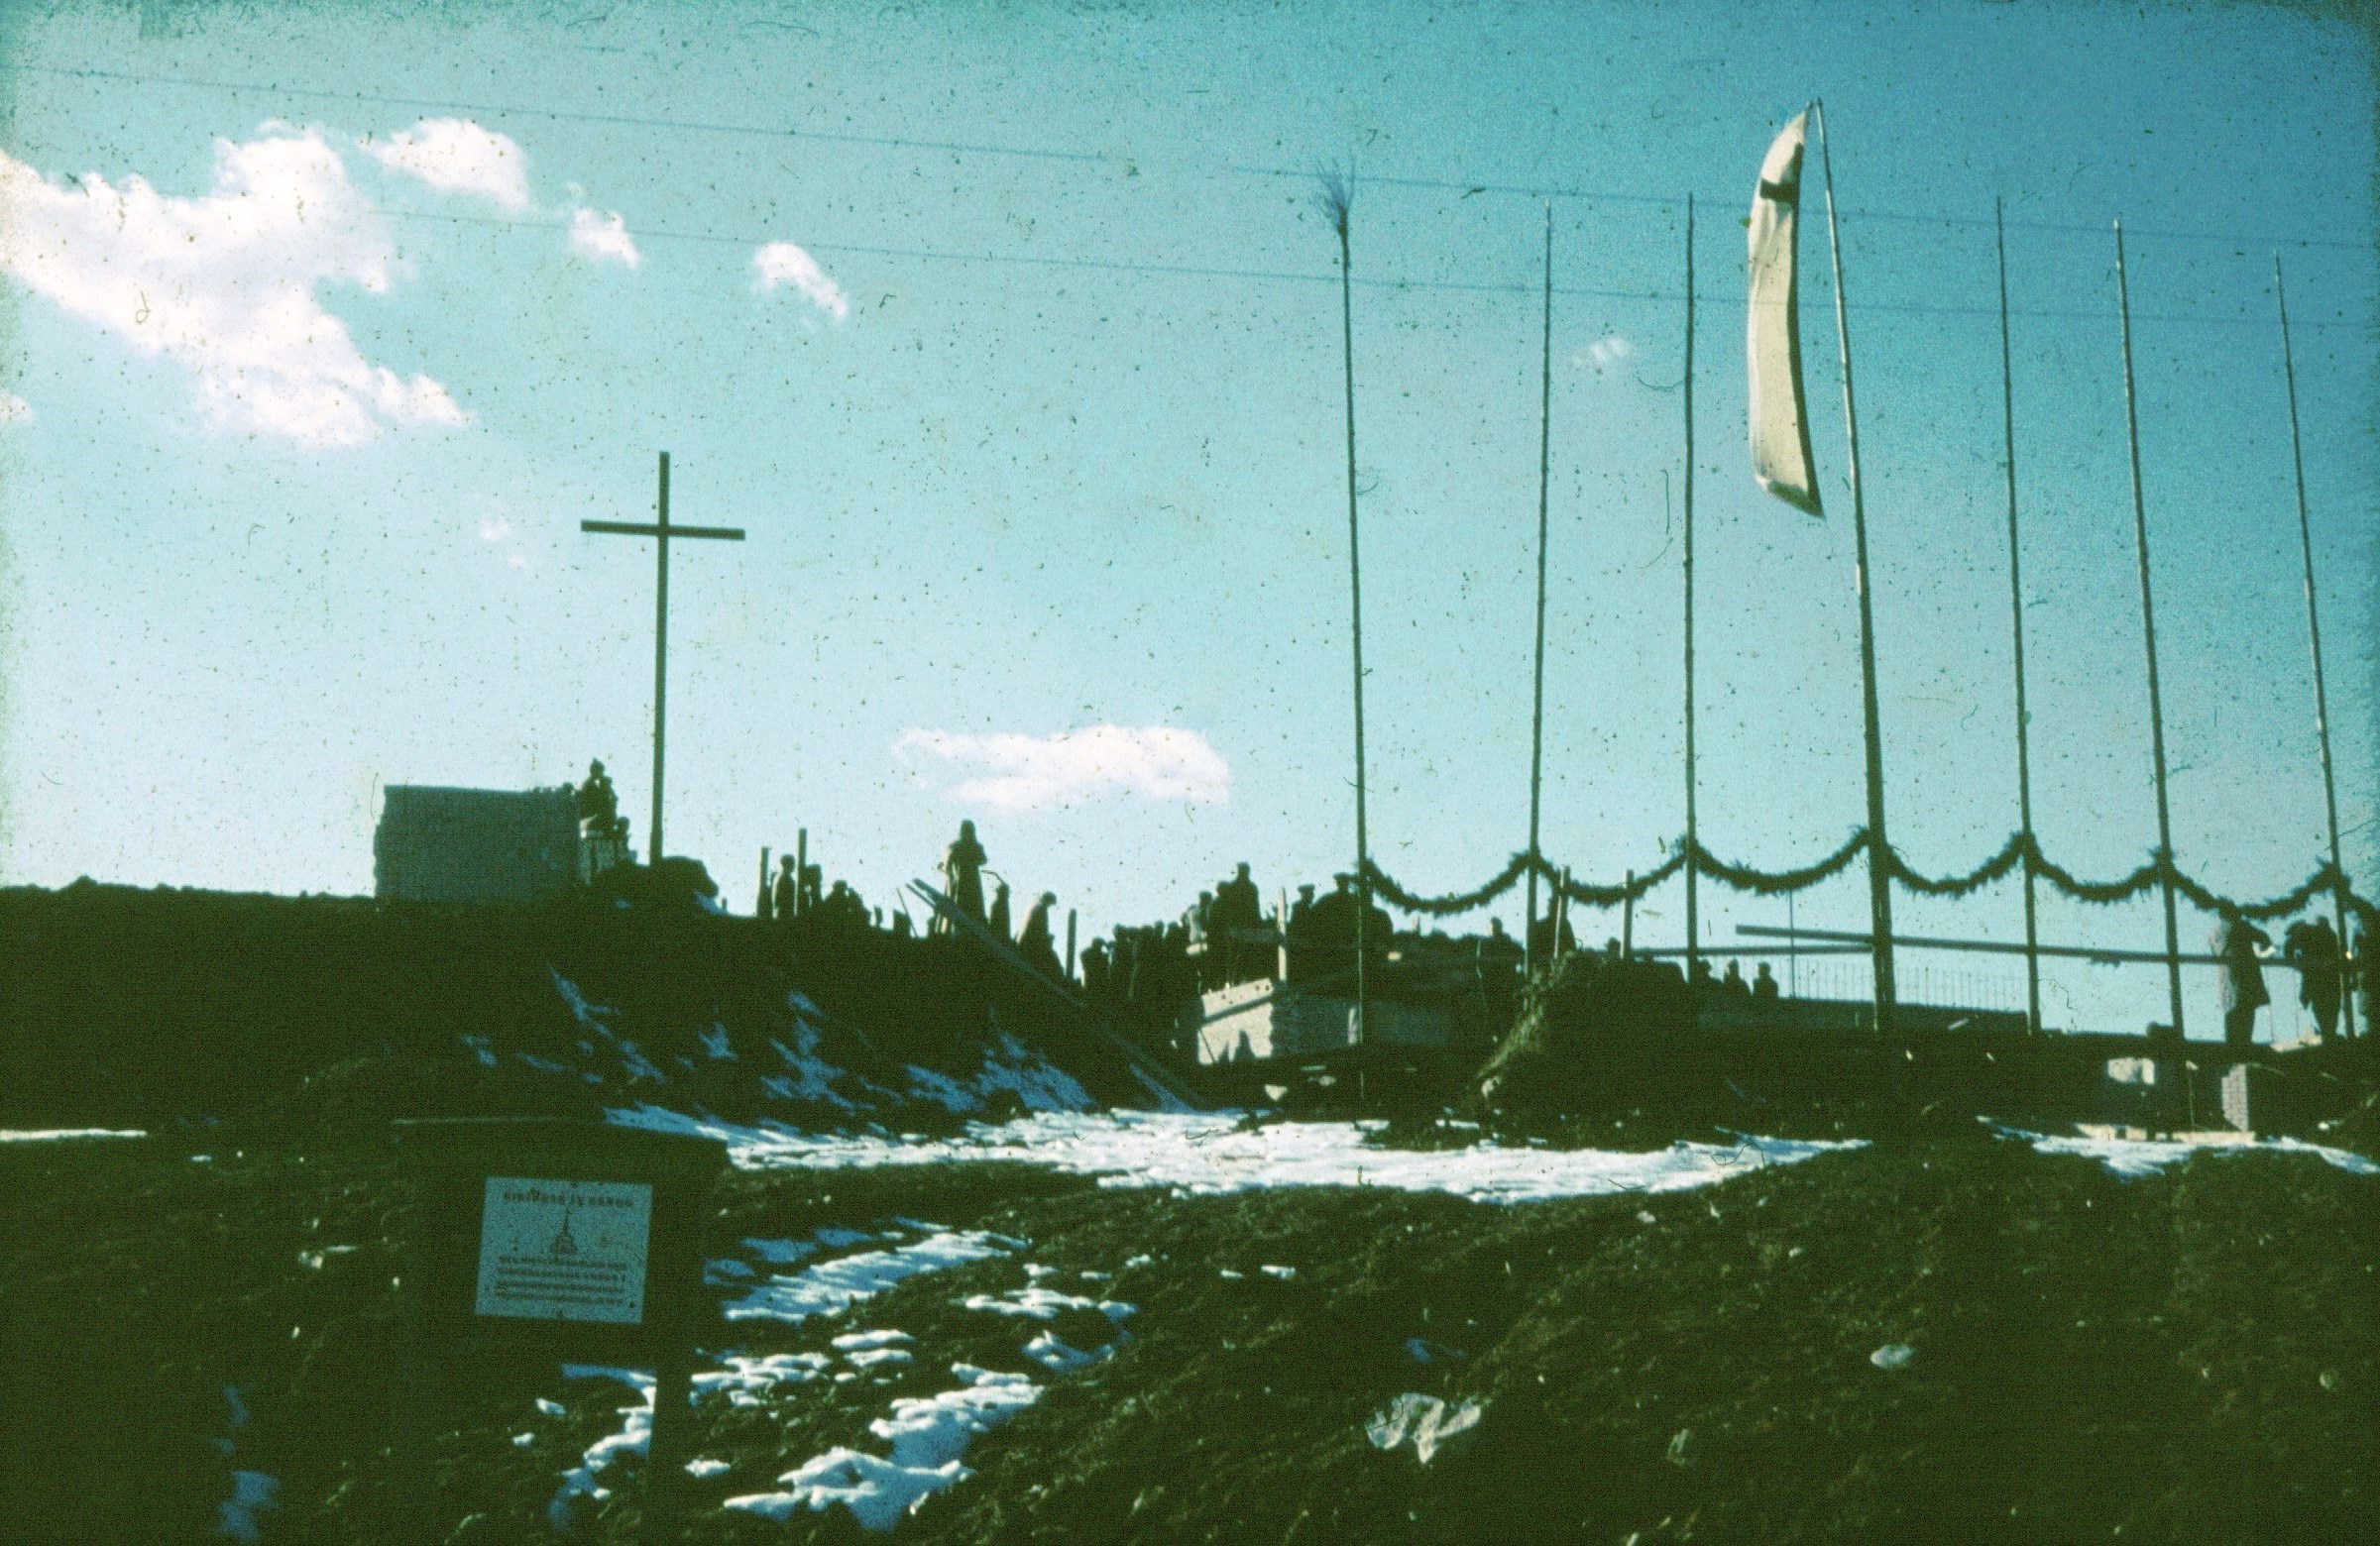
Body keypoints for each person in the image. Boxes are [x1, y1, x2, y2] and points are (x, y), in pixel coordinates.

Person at [2213, 911, 2273, 1049]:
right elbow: (2263, 936)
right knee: (2246, 1010)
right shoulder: (2240, 926)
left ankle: (2233, 1046)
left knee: (2231, 1012)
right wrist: (2264, 950)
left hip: (2226, 979)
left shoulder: (2214, 933)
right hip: (2245, 976)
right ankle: (2244, 1044)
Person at [2283, 917, 2343, 1042]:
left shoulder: (2306, 933)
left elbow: (2288, 947)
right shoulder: (2329, 934)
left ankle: (2328, 1035)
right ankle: (2329, 1034)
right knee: (2330, 1005)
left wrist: (2296, 963)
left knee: (2321, 1005)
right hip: (2330, 976)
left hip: (2315, 976)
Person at [939, 821, 987, 935]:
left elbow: (983, 860)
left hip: (965, 885)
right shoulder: (973, 846)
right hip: (962, 885)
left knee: (963, 909)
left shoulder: (955, 847)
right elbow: (983, 860)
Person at [1017, 892, 1061, 977]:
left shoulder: (1033, 905)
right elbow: (1041, 932)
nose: (1050, 906)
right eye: (1050, 903)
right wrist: (1048, 939)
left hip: (1024, 941)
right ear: (1048, 900)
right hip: (1030, 945)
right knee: (1053, 961)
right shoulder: (1042, 909)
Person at [771, 854, 797, 922]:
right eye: (793, 863)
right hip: (784, 915)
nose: (795, 866)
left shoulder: (778, 877)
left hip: (779, 913)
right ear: (788, 864)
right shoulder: (785, 878)